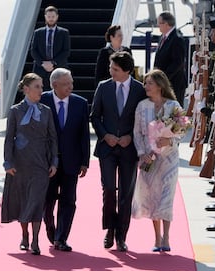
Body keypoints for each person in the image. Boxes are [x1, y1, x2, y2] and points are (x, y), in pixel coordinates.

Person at [90, 51, 146, 252]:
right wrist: (106, 135)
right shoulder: (103, 87)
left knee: (126, 193)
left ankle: (122, 235)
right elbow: (95, 116)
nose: (110, 72)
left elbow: (143, 119)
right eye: (110, 68)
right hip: (107, 148)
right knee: (109, 192)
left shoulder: (140, 90)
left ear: (127, 70)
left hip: (129, 149)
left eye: (114, 69)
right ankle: (110, 229)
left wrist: (131, 136)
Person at [1, 73, 58, 255]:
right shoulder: (15, 111)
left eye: (42, 86)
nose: (41, 90)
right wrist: (8, 162)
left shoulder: (46, 111)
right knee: (23, 201)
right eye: (37, 86)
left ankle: (35, 240)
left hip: (41, 163)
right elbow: (9, 139)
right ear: (26, 89)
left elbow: (53, 139)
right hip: (20, 163)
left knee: (36, 202)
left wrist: (54, 162)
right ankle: (25, 234)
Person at [131, 69, 185, 252]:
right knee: (152, 196)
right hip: (149, 157)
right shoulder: (141, 106)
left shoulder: (173, 105)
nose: (146, 87)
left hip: (169, 158)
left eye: (149, 83)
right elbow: (137, 132)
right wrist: (141, 153)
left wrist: (170, 139)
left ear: (160, 85)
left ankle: (167, 236)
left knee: (166, 196)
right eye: (145, 83)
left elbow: (182, 130)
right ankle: (157, 238)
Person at [40, 68, 90, 251]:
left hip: (71, 161)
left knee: (69, 200)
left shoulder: (80, 103)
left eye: (71, 83)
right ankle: (50, 228)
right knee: (48, 200)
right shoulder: (42, 100)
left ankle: (61, 238)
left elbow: (84, 135)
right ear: (54, 85)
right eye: (66, 84)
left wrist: (85, 161)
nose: (71, 86)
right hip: (48, 162)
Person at [30, 6, 70, 91]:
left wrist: (53, 62)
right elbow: (33, 50)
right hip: (40, 68)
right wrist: (42, 63)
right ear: (45, 17)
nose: (51, 19)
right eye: (49, 17)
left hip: (58, 67)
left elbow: (66, 51)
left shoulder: (64, 32)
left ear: (57, 17)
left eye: (53, 17)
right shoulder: (38, 32)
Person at [154, 11, 187, 107]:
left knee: (173, 115)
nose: (157, 25)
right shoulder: (163, 38)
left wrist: (162, 79)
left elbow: (177, 63)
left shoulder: (177, 39)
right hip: (162, 84)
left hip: (173, 84)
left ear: (166, 24)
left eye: (159, 23)